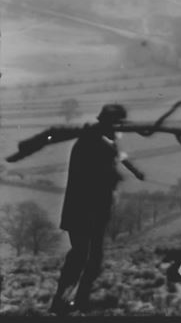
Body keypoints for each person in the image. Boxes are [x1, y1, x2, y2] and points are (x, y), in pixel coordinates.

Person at [50, 103, 145, 314]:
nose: (119, 129)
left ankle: (75, 301)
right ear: (108, 124)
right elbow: (102, 172)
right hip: (84, 211)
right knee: (82, 257)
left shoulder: (97, 139)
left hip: (89, 211)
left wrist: (134, 171)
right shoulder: (93, 143)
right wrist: (117, 175)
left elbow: (117, 155)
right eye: (117, 124)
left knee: (90, 258)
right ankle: (63, 302)